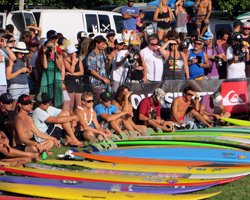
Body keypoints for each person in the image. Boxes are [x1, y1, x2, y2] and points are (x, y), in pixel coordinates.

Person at [39, 31, 64, 107]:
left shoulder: (58, 55)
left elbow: (60, 68)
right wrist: (44, 54)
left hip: (56, 77)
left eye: (51, 47)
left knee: (56, 98)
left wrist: (54, 55)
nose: (50, 49)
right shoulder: (43, 56)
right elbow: (45, 66)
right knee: (47, 98)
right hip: (47, 77)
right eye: (48, 47)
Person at [6, 42, 32, 107]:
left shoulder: (24, 60)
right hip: (15, 86)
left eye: (24, 53)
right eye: (21, 53)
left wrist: (28, 71)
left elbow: (25, 75)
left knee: (25, 106)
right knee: (14, 106)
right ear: (16, 52)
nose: (23, 55)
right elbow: (8, 77)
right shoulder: (11, 60)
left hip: (25, 85)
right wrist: (20, 71)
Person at [86, 35, 110, 102]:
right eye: (102, 44)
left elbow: (106, 67)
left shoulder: (103, 54)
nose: (104, 46)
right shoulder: (91, 56)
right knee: (99, 102)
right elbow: (92, 71)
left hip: (104, 84)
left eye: (105, 44)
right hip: (96, 84)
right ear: (97, 44)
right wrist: (103, 78)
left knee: (107, 101)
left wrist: (109, 60)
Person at [63, 45, 84, 114]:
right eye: (73, 52)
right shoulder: (65, 60)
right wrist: (73, 62)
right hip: (70, 83)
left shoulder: (79, 60)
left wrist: (72, 74)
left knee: (79, 105)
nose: (75, 54)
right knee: (71, 105)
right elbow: (71, 70)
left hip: (78, 82)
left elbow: (81, 72)